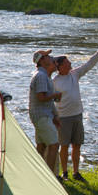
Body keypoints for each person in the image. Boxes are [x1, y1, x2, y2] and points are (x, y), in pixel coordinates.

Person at [53, 40, 98, 181]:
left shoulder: (74, 74)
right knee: (64, 146)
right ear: (59, 66)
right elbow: (51, 100)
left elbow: (89, 64)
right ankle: (65, 172)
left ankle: (76, 172)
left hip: (77, 115)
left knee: (77, 145)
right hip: (63, 118)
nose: (70, 64)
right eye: (67, 63)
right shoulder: (54, 81)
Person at [29, 49, 62, 177]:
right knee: (54, 145)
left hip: (41, 115)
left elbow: (46, 101)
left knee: (41, 146)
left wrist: (55, 115)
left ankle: (37, 175)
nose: (50, 57)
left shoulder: (43, 75)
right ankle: (49, 178)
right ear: (41, 60)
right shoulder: (41, 76)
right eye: (47, 56)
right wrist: (55, 95)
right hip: (41, 115)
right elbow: (41, 97)